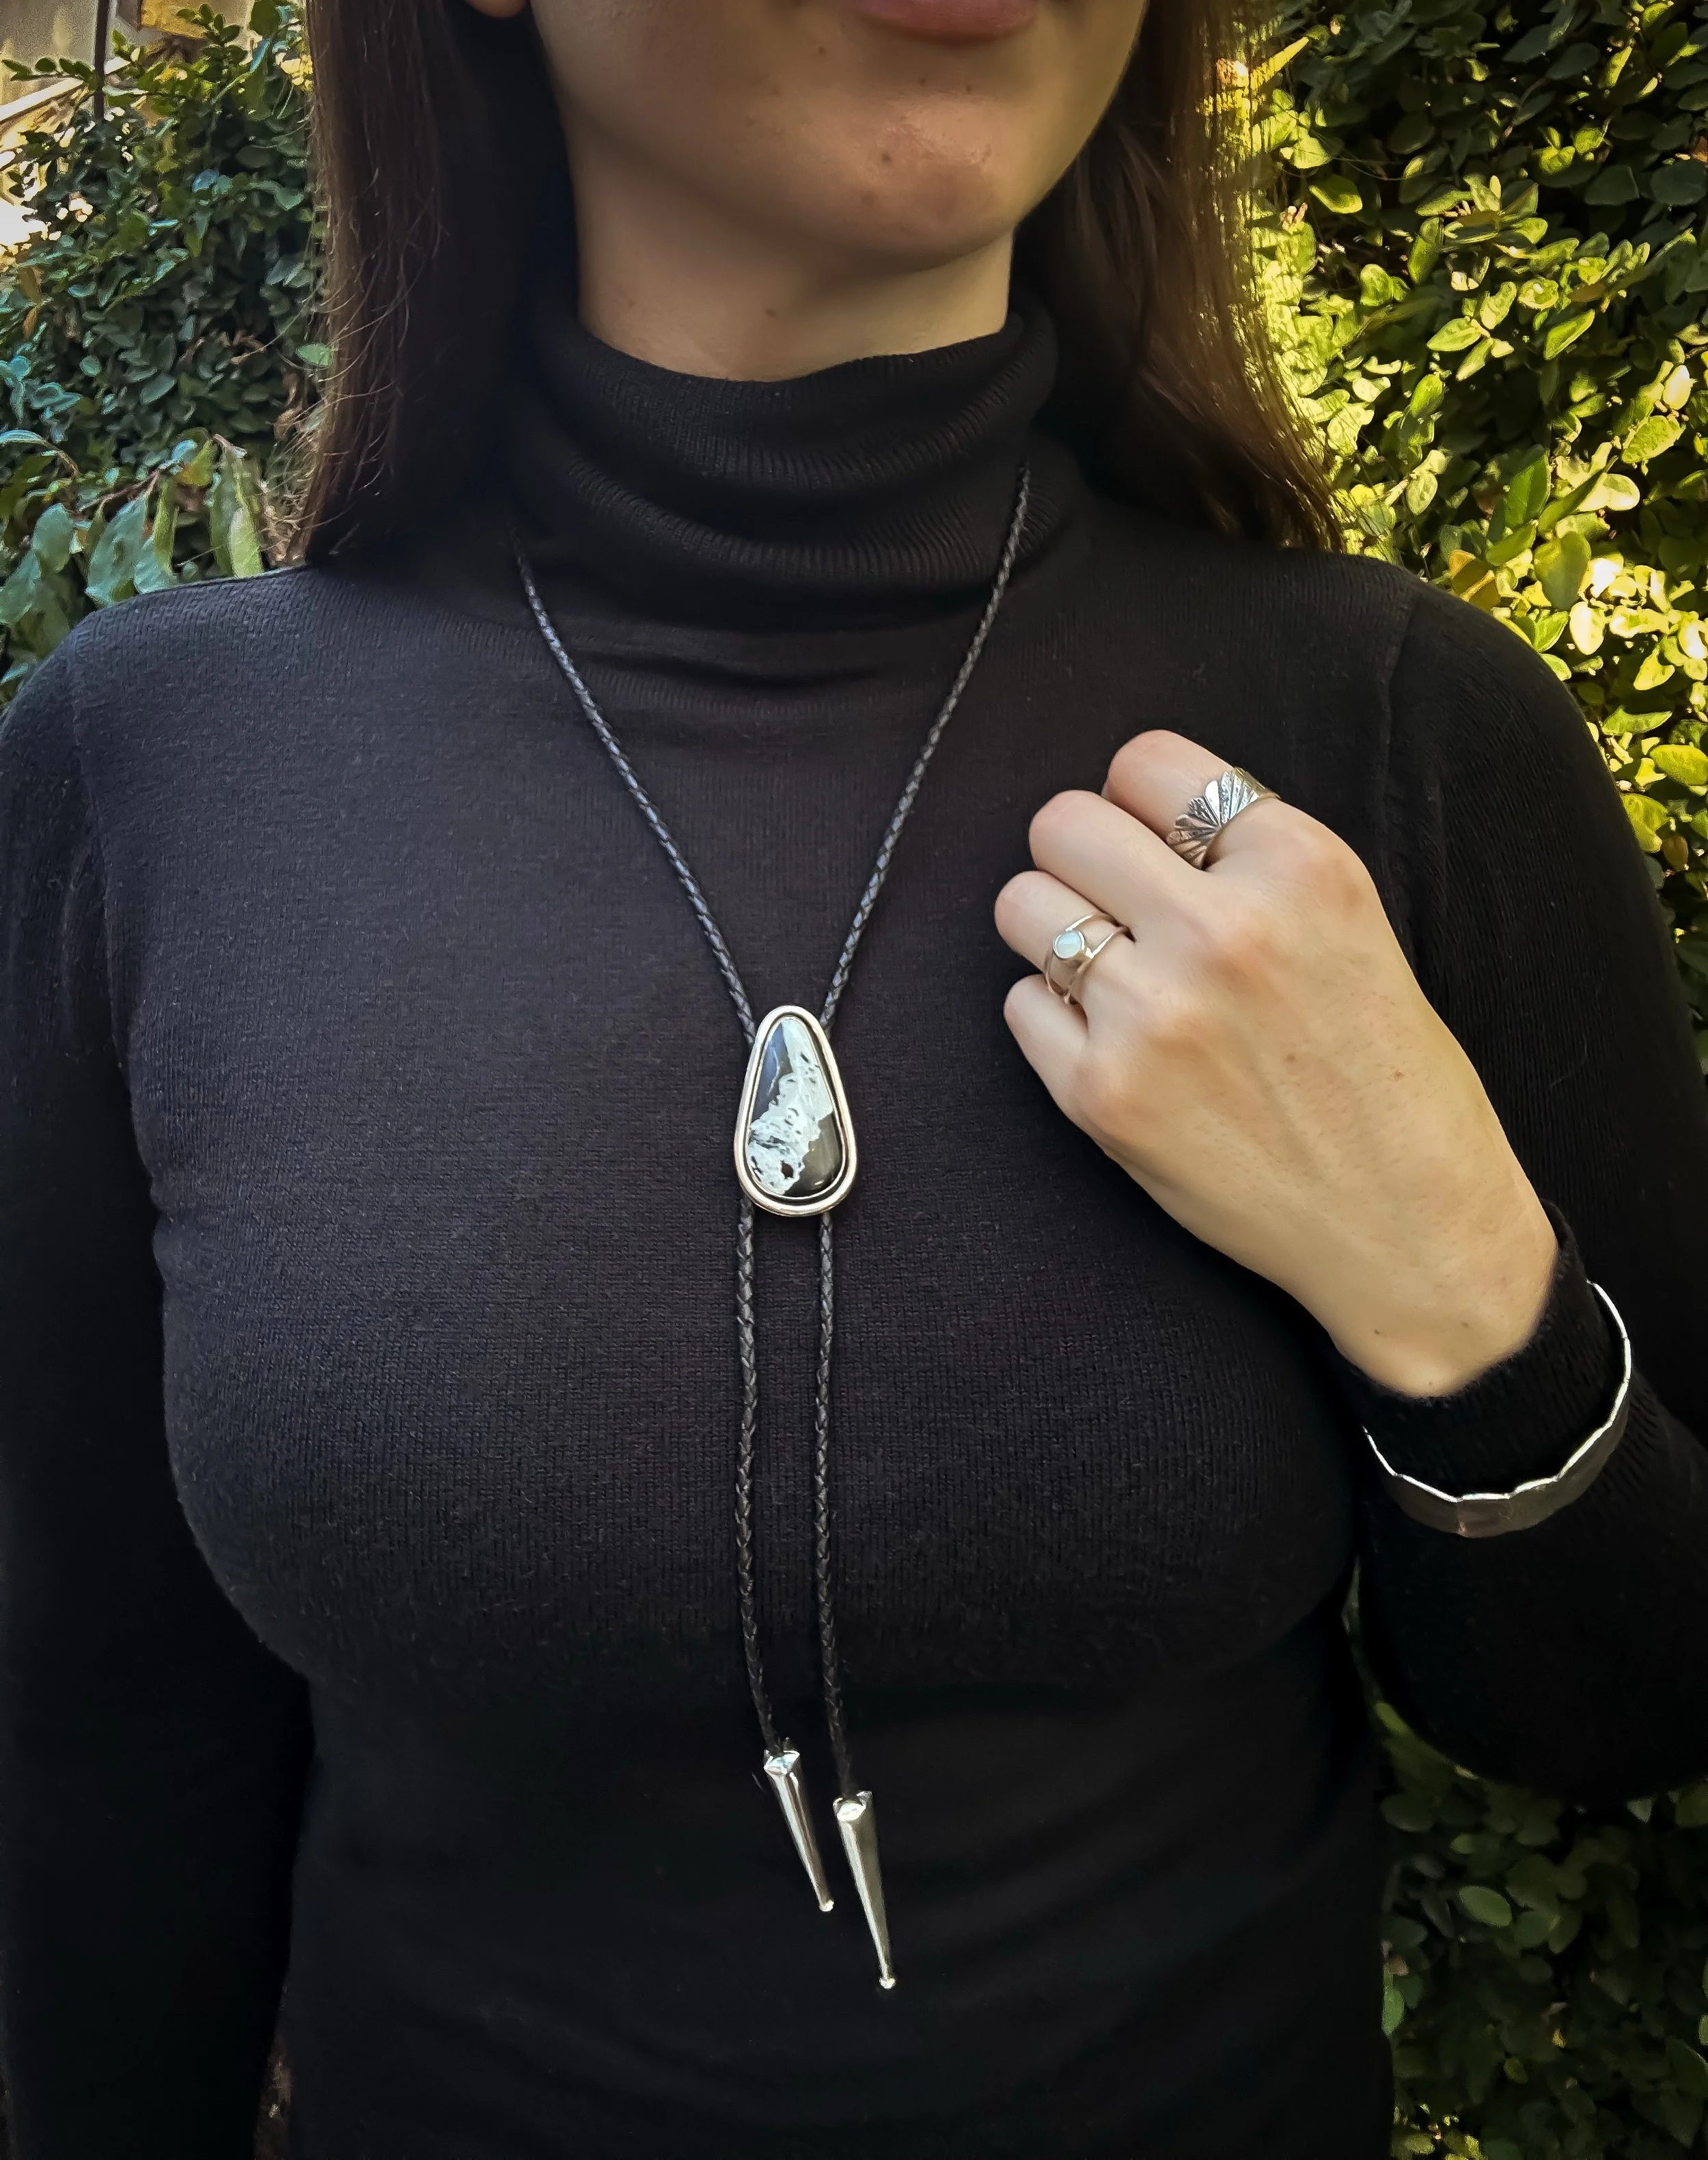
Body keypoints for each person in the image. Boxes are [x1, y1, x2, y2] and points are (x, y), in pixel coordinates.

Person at [3, 0, 1707, 2152]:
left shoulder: (1388, 733)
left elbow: (1620, 1707)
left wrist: (1455, 1284)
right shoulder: (156, 777)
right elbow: (106, 1738)